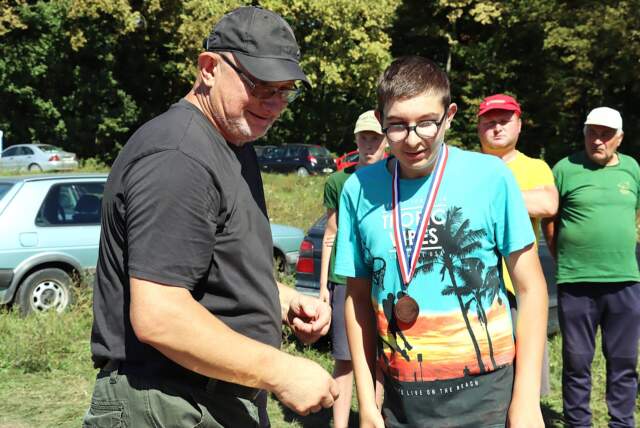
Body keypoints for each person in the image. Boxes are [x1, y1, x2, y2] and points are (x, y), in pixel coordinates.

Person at [83, 6, 338, 428]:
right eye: (261, 86)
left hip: (210, 399)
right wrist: (281, 371)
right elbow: (160, 315)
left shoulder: (234, 144)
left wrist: (284, 301)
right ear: (208, 68)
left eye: (285, 90)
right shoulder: (178, 156)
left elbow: (214, 272)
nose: (275, 104)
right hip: (169, 403)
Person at [334, 56, 548, 427]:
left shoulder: (490, 177)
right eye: (397, 125)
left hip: (488, 400)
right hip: (401, 403)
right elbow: (357, 300)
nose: (412, 138)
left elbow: (532, 289)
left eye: (426, 122)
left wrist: (526, 402)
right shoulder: (358, 190)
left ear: (449, 116)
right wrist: (366, 403)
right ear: (380, 120)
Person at [542, 107, 640, 428]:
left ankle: (622, 423)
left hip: (624, 281)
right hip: (576, 282)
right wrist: (566, 258)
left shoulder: (632, 169)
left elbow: (634, 213)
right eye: (592, 133)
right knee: (577, 362)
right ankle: (578, 424)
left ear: (619, 138)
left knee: (624, 362)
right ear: (584, 133)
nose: (598, 140)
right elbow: (550, 221)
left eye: (606, 134)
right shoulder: (564, 169)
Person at [477, 93, 558, 397]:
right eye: (489, 122)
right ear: (478, 127)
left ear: (519, 125)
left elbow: (547, 203)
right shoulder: (467, 166)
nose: (497, 128)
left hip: (519, 289)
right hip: (472, 291)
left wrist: (489, 198)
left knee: (525, 380)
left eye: (504, 121)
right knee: (481, 381)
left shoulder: (534, 167)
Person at [319, 109, 387, 428]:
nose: (370, 145)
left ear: (386, 140)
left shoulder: (397, 176)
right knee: (345, 359)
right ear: (356, 140)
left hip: (384, 279)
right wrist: (323, 286)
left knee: (383, 360)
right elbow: (330, 234)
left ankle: (374, 420)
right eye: (364, 138)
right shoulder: (338, 181)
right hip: (345, 278)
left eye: (376, 138)